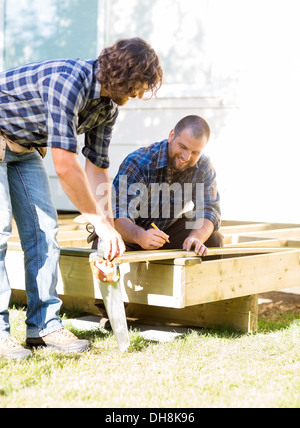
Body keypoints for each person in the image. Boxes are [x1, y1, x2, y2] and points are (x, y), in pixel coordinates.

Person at [0, 37, 163, 359]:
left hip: (24, 149)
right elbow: (65, 166)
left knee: (44, 233)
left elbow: (97, 169)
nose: (139, 94)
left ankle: (44, 327)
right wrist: (98, 223)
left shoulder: (106, 108)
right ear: (123, 74)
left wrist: (109, 227)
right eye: (137, 85)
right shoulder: (68, 80)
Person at [112, 115, 223, 255]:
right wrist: (140, 236)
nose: (186, 157)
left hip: (165, 234)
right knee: (109, 248)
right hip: (130, 237)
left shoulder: (203, 166)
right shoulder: (139, 162)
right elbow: (117, 214)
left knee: (213, 239)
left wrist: (196, 238)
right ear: (171, 136)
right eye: (183, 147)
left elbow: (209, 210)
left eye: (195, 152)